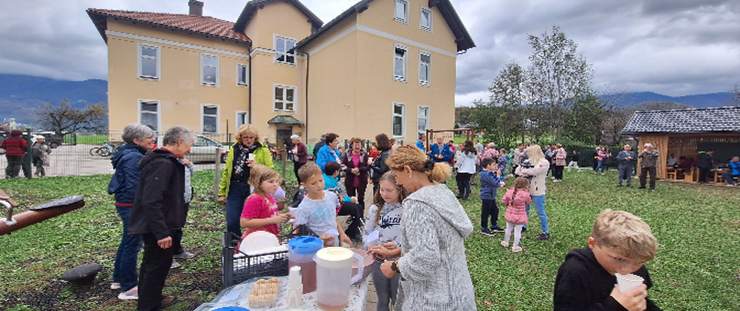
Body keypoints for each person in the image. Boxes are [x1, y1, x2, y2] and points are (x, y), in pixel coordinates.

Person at [379, 146, 476, 310]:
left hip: (433, 300)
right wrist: (398, 250)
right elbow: (438, 242)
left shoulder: (417, 204)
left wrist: (395, 267)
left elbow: (426, 257)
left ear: (408, 170)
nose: (399, 182)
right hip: (459, 292)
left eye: (396, 176)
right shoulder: (442, 192)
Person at [129, 126, 195, 310]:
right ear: (180, 141)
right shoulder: (163, 163)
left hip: (163, 224)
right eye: (189, 145)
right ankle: (148, 305)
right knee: (156, 268)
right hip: (159, 227)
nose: (190, 150)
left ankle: (151, 299)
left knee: (152, 265)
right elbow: (151, 200)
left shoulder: (167, 161)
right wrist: (162, 233)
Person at [553, 210, 662, 311]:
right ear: (593, 244)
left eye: (639, 262)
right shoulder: (575, 271)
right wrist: (614, 306)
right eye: (619, 259)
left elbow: (643, 303)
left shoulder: (634, 265)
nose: (628, 270)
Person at [107, 123, 156, 300]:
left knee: (127, 242)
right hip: (131, 206)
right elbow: (135, 186)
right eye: (149, 137)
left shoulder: (129, 153)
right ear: (136, 140)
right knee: (132, 246)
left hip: (126, 204)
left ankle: (119, 280)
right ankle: (128, 288)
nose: (153, 139)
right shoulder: (133, 157)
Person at [218, 124, 275, 238]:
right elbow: (227, 172)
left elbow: (270, 171)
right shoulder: (234, 149)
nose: (249, 140)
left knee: (255, 219)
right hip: (235, 186)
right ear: (240, 137)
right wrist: (222, 192)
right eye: (245, 137)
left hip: (254, 187)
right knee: (232, 221)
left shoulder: (262, 149)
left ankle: (254, 244)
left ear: (256, 138)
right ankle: (235, 246)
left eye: (252, 137)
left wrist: (256, 166)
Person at [365, 172, 407, 311]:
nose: (385, 193)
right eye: (382, 189)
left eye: (389, 190)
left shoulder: (406, 209)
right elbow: (367, 233)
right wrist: (371, 247)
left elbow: (410, 237)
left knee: (398, 298)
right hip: (378, 262)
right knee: (382, 299)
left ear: (399, 189)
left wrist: (397, 245)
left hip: (399, 262)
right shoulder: (374, 209)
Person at [293, 163, 352, 246]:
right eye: (313, 183)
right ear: (304, 184)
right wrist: (318, 240)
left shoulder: (332, 196)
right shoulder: (304, 208)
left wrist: (342, 234)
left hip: (335, 245)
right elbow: (300, 234)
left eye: (321, 180)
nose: (319, 185)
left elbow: (333, 217)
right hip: (317, 250)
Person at [240, 165, 289, 236]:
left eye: (277, 181)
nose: (275, 185)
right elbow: (244, 223)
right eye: (271, 182)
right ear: (259, 184)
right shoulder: (255, 199)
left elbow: (266, 215)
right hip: (257, 240)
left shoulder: (269, 196)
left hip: (269, 237)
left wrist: (282, 216)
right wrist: (272, 220)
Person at [515, 144, 551, 241]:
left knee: (540, 211)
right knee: (525, 209)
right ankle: (524, 225)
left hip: (538, 190)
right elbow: (517, 170)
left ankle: (545, 231)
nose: (527, 154)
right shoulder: (527, 161)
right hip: (526, 189)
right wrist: (525, 170)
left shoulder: (544, 162)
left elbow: (535, 171)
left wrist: (524, 170)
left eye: (529, 152)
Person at [323, 161, 364, 241]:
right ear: (336, 172)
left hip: (337, 202)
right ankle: (351, 232)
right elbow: (336, 197)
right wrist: (350, 199)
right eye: (339, 171)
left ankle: (354, 229)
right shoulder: (328, 183)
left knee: (358, 207)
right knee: (356, 209)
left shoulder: (328, 178)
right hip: (333, 206)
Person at [171, 157, 197, 269]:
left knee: (179, 225)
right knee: (170, 228)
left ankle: (177, 250)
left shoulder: (183, 161)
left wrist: (190, 164)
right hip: (173, 200)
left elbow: (191, 174)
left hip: (184, 198)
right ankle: (167, 257)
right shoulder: (168, 162)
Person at [500, 177, 532, 252]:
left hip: (510, 214)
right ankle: (515, 246)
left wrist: (509, 204)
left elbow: (504, 201)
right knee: (518, 231)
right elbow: (528, 202)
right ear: (526, 186)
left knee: (508, 229)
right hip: (520, 216)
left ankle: (506, 242)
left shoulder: (509, 192)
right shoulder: (526, 194)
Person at [479, 157, 505, 236]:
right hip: (487, 195)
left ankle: (494, 225)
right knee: (486, 212)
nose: (495, 166)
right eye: (493, 165)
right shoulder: (485, 174)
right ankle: (484, 228)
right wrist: (498, 177)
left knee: (495, 210)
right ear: (488, 166)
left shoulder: (491, 173)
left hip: (492, 195)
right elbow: (495, 183)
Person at [342, 137, 370, 208]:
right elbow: (343, 166)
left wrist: (359, 169)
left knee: (360, 198)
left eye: (359, 145)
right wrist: (351, 170)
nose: (357, 147)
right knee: (351, 198)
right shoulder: (347, 154)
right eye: (355, 145)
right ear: (352, 145)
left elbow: (368, 166)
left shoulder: (365, 155)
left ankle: (360, 215)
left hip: (361, 180)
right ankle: (352, 216)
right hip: (350, 180)